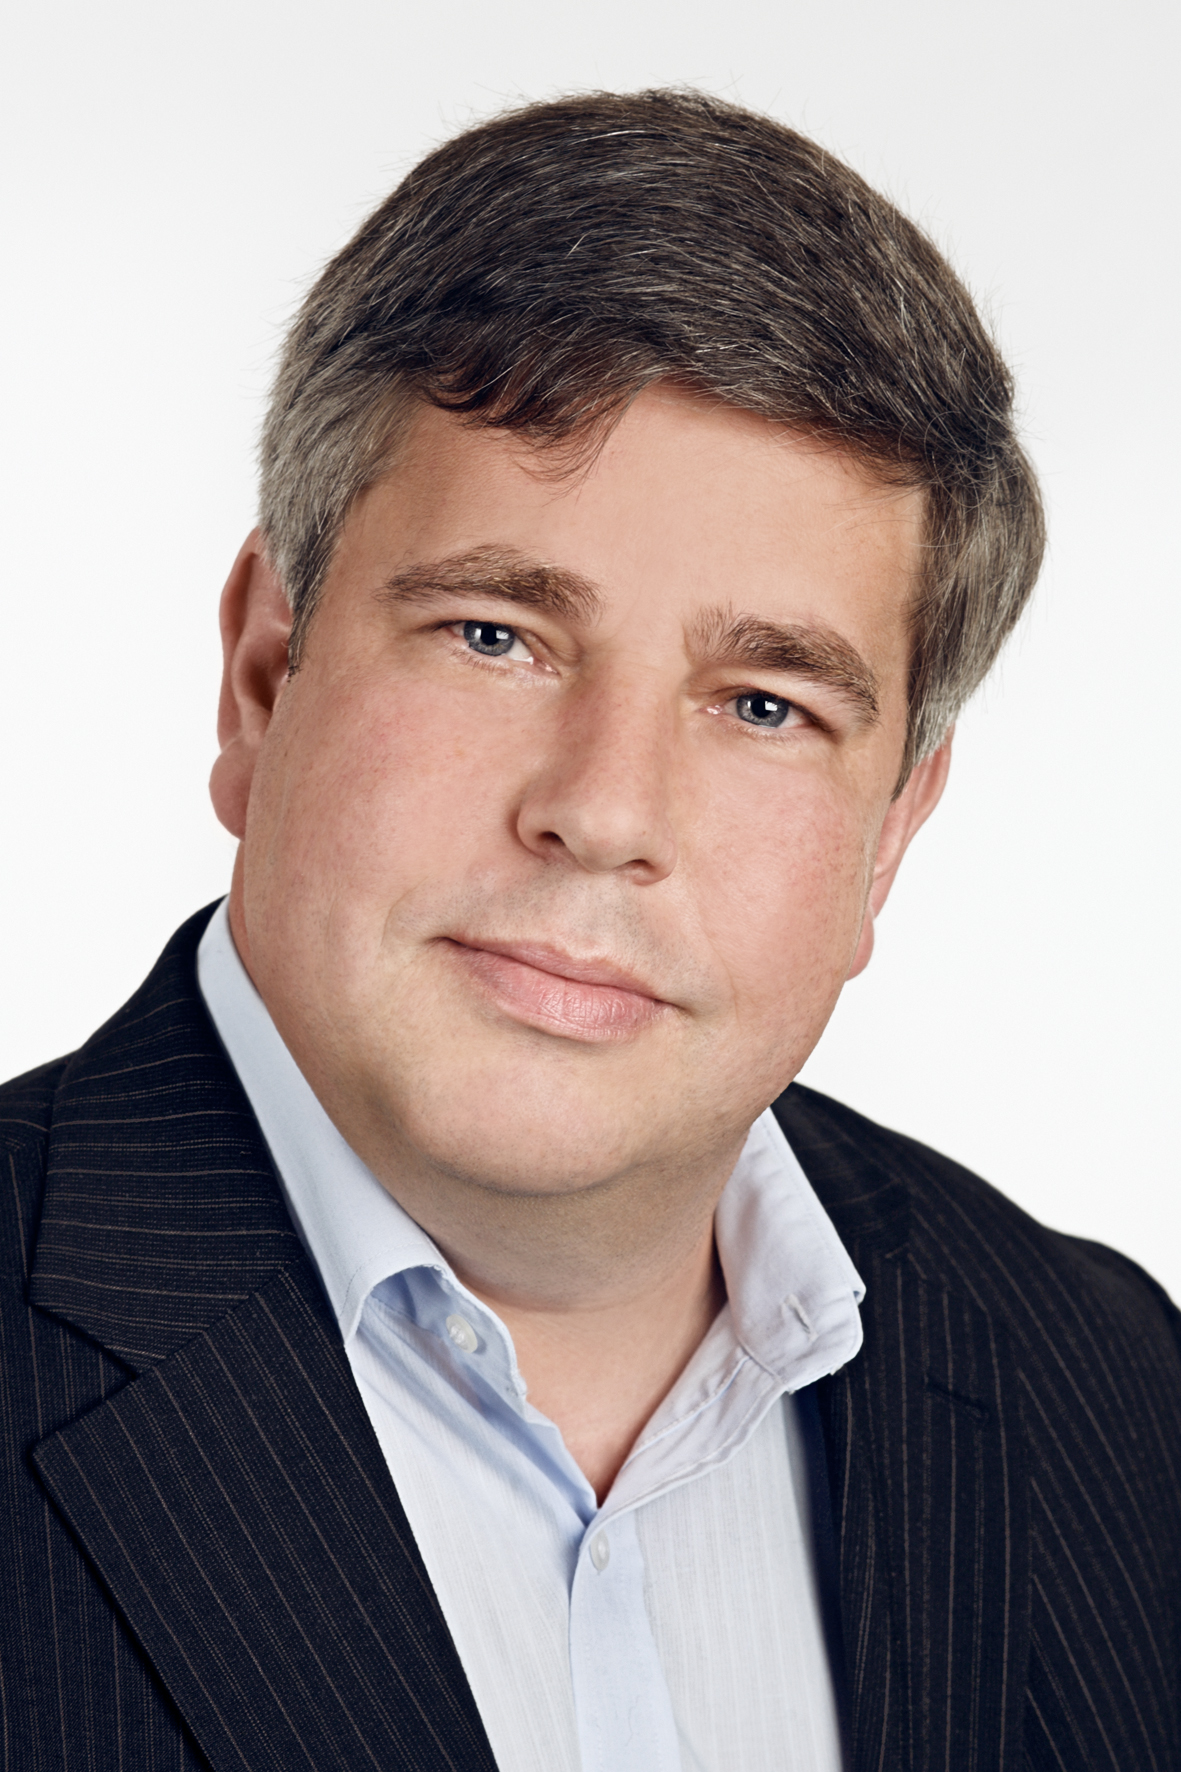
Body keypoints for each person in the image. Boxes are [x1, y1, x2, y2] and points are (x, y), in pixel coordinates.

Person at [2, 88, 1177, 1772]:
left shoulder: (1109, 1390)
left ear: (890, 833)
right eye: (495, 634)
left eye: (764, 705)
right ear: (264, 676)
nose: (603, 811)